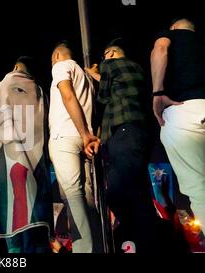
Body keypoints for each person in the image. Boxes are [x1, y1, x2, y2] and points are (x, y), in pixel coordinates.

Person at [85, 39, 163, 252]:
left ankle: (139, 238)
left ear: (110, 54)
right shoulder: (133, 71)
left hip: (125, 133)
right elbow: (111, 96)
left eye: (104, 56)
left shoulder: (112, 65)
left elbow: (102, 97)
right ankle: (144, 240)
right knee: (138, 191)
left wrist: (93, 72)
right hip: (136, 133)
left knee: (118, 192)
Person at [0, 56, 53, 253]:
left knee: (13, 220)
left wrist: (9, 143)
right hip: (36, 162)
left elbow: (1, 115)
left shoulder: (9, 80)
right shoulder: (41, 92)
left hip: (10, 158)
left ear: (17, 66)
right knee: (35, 219)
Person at [150, 18, 205, 234]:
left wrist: (157, 93)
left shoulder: (169, 36)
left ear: (173, 27)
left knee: (198, 189)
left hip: (184, 112)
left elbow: (161, 49)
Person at [48, 41, 102, 253]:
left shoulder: (61, 66)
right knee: (86, 198)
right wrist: (90, 136)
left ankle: (84, 249)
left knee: (73, 195)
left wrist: (84, 134)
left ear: (57, 56)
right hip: (83, 141)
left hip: (67, 135)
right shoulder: (87, 77)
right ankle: (95, 245)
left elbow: (67, 94)